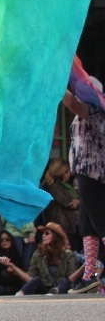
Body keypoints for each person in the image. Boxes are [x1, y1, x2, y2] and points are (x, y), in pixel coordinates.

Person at [62, 88, 105, 293]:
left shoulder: (95, 110)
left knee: (100, 223)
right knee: (87, 225)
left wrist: (58, 80)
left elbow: (73, 104)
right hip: (86, 173)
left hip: (93, 172)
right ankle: (90, 277)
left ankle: (92, 276)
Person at [3, 222, 80, 295]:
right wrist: (13, 266)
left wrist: (84, 266)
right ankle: (20, 294)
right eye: (43, 233)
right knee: (36, 280)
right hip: (44, 289)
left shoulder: (67, 254)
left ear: (56, 236)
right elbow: (30, 278)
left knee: (65, 281)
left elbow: (71, 279)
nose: (43, 235)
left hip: (61, 288)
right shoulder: (38, 254)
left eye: (47, 233)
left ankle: (55, 292)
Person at [40, 158, 80, 250]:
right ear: (61, 173)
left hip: (71, 226)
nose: (69, 174)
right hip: (62, 228)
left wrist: (78, 200)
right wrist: (78, 200)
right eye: (67, 172)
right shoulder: (53, 186)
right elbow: (68, 202)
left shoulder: (66, 186)